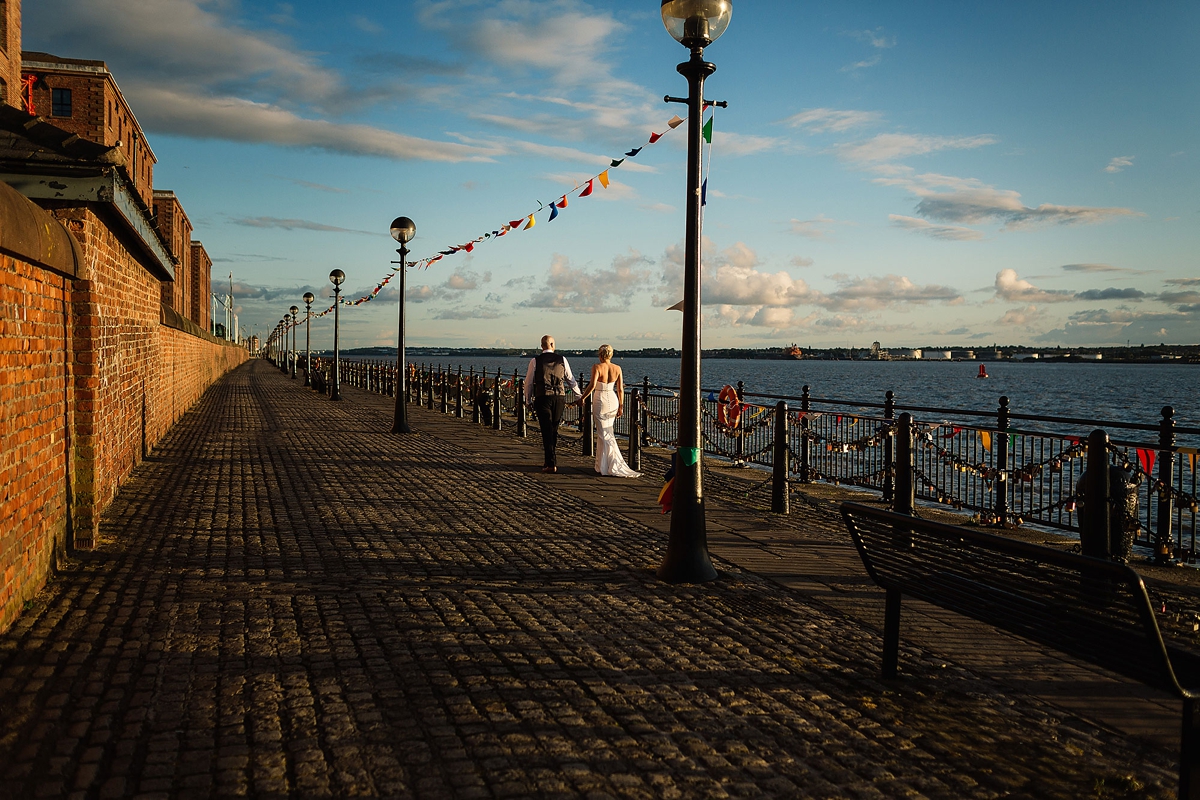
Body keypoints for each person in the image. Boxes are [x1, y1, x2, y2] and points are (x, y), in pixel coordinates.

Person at [578, 344, 641, 478]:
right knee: (607, 431)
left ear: (600, 355)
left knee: (603, 433)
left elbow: (592, 385)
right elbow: (620, 389)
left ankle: (612, 465)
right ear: (611, 355)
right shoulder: (617, 368)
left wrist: (583, 397)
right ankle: (603, 465)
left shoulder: (597, 367)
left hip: (600, 398)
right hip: (612, 399)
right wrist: (621, 405)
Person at [524, 335, 579, 473]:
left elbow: (528, 383)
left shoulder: (535, 361)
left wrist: (528, 400)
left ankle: (550, 462)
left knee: (546, 430)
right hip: (559, 397)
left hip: (543, 397)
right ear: (552, 345)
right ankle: (550, 460)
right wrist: (580, 395)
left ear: (542, 345)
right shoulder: (562, 360)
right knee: (553, 429)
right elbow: (570, 379)